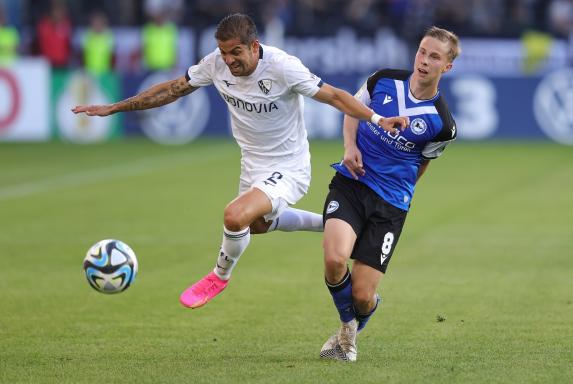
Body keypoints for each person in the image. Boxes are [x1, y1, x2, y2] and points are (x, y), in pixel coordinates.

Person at [72, 13, 407, 310]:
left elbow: (334, 95)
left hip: (289, 166)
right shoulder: (215, 65)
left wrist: (378, 119)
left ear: (254, 47)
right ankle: (339, 224)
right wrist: (115, 107)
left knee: (234, 215)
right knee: (255, 225)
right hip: (253, 164)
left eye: (235, 52)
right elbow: (172, 90)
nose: (229, 60)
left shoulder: (282, 67)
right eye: (223, 52)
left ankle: (219, 276)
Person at [319, 26, 460, 362]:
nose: (424, 60)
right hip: (352, 183)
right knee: (335, 260)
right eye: (422, 52)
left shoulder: (443, 124)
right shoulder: (382, 79)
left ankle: (352, 324)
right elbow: (352, 110)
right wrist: (350, 147)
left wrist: (399, 192)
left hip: (390, 205)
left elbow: (421, 166)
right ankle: (348, 335)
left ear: (447, 67)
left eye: (434, 57)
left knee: (364, 296)